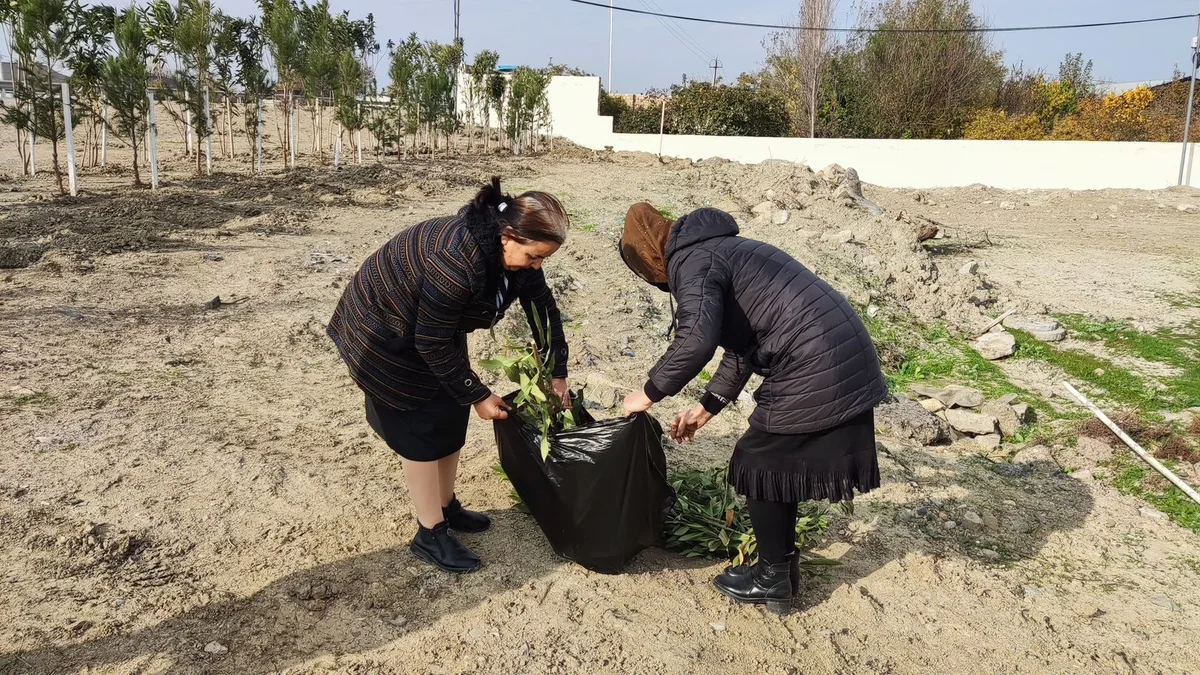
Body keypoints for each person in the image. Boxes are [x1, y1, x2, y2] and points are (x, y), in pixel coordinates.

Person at [619, 202, 886, 614]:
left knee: (758, 460)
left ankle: (772, 577)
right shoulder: (722, 249)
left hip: (815, 359)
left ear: (651, 254)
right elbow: (742, 349)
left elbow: (696, 339)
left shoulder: (694, 261)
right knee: (775, 464)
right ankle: (779, 570)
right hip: (836, 350)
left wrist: (650, 392)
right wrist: (705, 409)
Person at [327, 177, 571, 574]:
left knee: (448, 413)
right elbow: (430, 342)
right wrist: (478, 394)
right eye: (534, 257)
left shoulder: (513, 251)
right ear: (508, 235)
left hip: (434, 331)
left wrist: (557, 372)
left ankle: (446, 505)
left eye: (543, 259)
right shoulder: (456, 258)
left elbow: (544, 310)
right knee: (420, 428)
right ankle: (430, 533)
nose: (537, 266)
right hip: (383, 333)